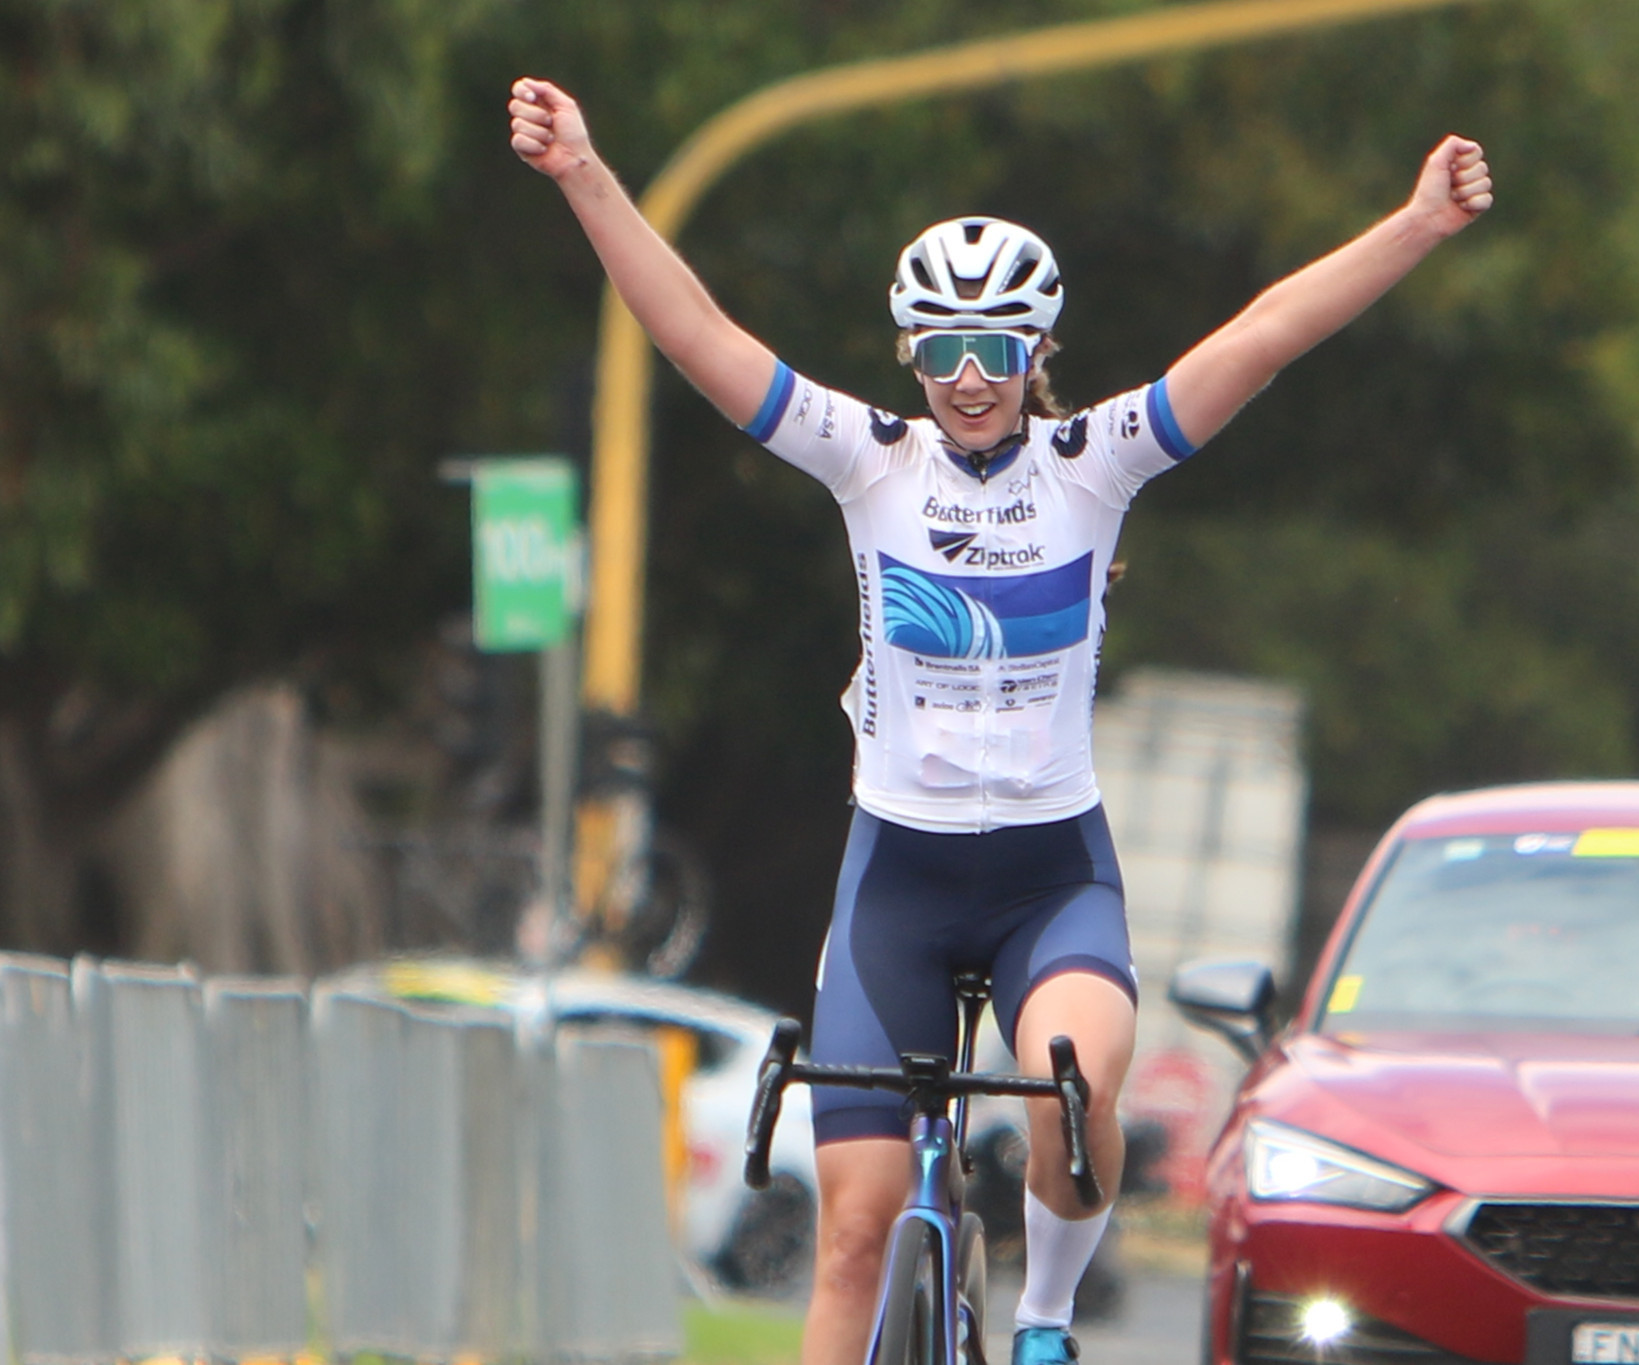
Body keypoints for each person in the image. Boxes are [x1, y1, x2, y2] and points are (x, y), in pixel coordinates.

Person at [508, 76, 1490, 1365]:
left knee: (1073, 1101)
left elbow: (1262, 337)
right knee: (854, 1234)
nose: (970, 379)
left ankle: (1038, 1324)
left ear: (1039, 352)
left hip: (1048, 879)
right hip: (895, 884)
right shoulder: (869, 460)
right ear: (908, 354)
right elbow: (694, 332)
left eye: (999, 348)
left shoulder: (1098, 464)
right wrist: (586, 171)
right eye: (941, 349)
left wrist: (1416, 224)